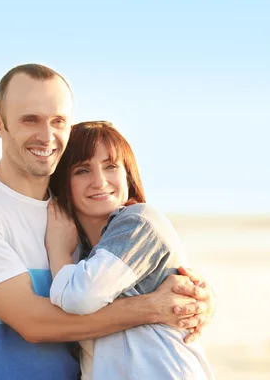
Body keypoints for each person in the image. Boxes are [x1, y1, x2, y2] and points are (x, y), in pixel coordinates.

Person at [0, 63, 216, 380]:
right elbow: (35, 324)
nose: (46, 135)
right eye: (30, 120)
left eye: (58, 121)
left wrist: (199, 301)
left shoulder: (75, 212)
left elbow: (120, 281)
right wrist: (154, 307)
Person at [44, 121, 215, 379]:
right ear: (63, 182)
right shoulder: (86, 252)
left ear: (128, 175)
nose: (99, 181)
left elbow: (79, 297)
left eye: (110, 166)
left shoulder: (138, 222)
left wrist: (57, 249)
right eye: (82, 170)